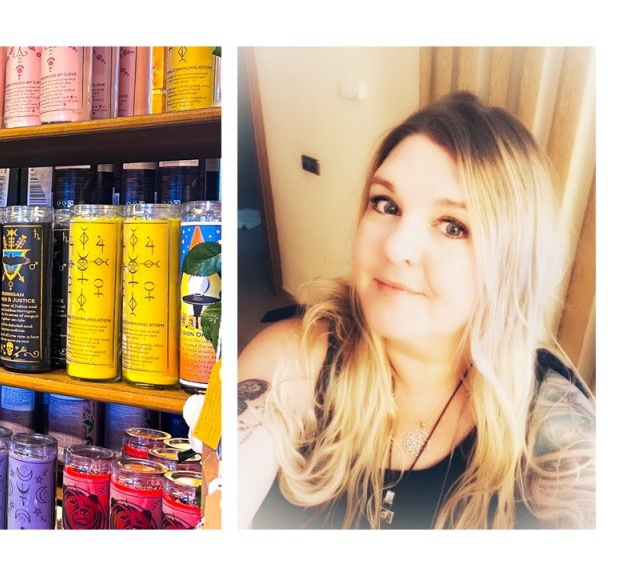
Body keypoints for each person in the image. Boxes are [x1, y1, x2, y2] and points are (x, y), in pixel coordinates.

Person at [238, 92, 595, 529]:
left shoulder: (554, 426)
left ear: (512, 260)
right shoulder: (293, 355)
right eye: (386, 205)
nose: (396, 247)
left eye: (453, 227)